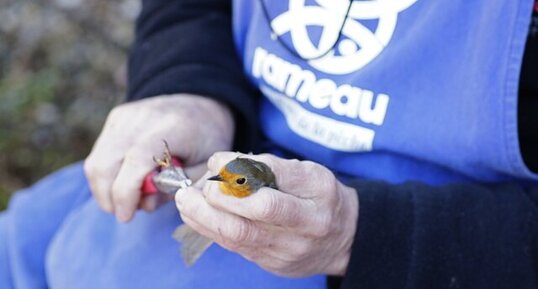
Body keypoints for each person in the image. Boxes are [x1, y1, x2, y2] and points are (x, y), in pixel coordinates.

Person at [1, 0, 537, 288]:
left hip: (443, 249)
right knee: (22, 240)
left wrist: (361, 236)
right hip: (232, 156)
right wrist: (186, 86)